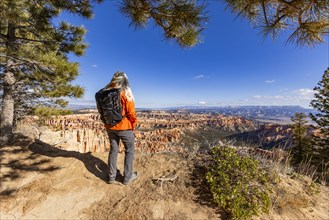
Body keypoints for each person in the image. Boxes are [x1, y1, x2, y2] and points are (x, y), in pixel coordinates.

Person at [104, 71, 138, 185]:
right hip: (124, 127)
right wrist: (133, 126)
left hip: (110, 126)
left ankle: (111, 176)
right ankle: (127, 177)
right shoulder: (125, 92)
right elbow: (132, 113)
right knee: (129, 150)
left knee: (113, 149)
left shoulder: (106, 91)